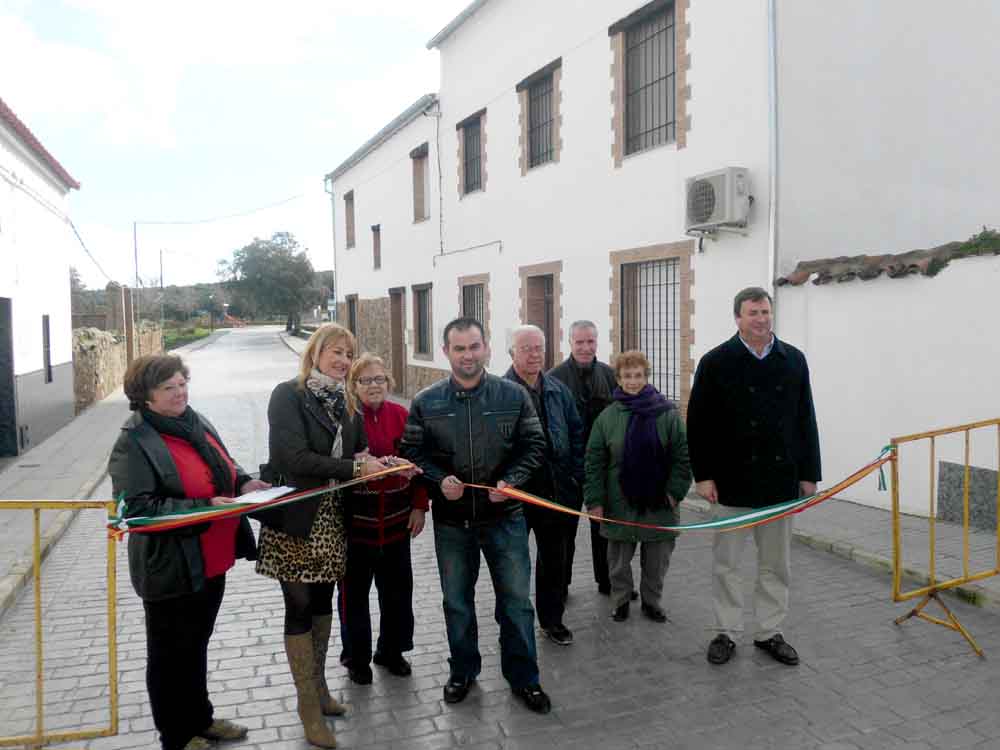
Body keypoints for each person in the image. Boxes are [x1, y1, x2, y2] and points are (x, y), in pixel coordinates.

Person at [108, 354, 268, 750]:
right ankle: (176, 735)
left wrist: (243, 483)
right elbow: (137, 510)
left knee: (196, 644)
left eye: (182, 383)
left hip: (210, 559)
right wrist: (203, 507)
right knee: (169, 654)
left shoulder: (196, 421)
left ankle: (201, 719)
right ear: (145, 396)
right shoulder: (134, 441)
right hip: (170, 567)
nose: (180, 392)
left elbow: (225, 465)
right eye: (169, 388)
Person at [401, 317, 552, 713]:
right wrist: (438, 480)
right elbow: (411, 452)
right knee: (457, 603)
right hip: (453, 523)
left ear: (486, 348)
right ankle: (463, 671)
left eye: (474, 346)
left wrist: (512, 481)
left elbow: (535, 444)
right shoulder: (426, 401)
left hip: (506, 519)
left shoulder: (513, 395)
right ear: (446, 352)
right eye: (459, 348)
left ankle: (524, 678)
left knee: (517, 604)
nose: (467, 355)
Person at [255, 323, 387, 749]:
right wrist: (354, 467)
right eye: (335, 352)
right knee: (299, 607)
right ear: (315, 352)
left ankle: (321, 688)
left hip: (332, 519)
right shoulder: (288, 395)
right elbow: (291, 458)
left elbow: (357, 452)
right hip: (296, 520)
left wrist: (379, 462)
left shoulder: (347, 402)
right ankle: (307, 707)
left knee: (324, 605)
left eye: (348, 354)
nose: (343, 361)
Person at [686, 287, 821, 667]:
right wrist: (703, 476)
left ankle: (769, 632)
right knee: (727, 565)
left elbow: (805, 418)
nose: (761, 319)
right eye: (753, 313)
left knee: (776, 564)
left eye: (765, 312)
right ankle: (726, 631)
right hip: (731, 481)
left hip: (779, 481)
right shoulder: (715, 362)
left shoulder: (793, 360)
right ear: (738, 318)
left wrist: (809, 474)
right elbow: (698, 424)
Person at [583, 350, 692, 623]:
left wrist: (675, 493)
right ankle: (621, 601)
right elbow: (594, 462)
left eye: (638, 375)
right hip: (618, 501)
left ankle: (651, 602)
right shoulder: (607, 418)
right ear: (619, 379)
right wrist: (595, 501)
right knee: (618, 561)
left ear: (646, 377)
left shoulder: (667, 414)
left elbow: (683, 456)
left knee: (657, 560)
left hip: (660, 502)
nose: (633, 381)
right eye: (627, 376)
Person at [341, 353, 428, 684]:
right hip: (355, 526)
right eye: (365, 380)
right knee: (353, 597)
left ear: (389, 382)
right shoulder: (346, 418)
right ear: (353, 386)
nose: (373, 385)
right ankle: (357, 658)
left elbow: (419, 463)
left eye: (379, 379)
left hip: (396, 522)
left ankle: (392, 651)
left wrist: (419, 506)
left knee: (397, 592)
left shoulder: (401, 415)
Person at [503, 324, 585, 646]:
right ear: (512, 353)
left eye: (539, 347)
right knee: (513, 564)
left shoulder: (557, 390)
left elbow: (576, 433)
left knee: (554, 560)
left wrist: (575, 477)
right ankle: (512, 625)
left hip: (555, 490)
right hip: (516, 493)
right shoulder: (499, 392)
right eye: (526, 348)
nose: (534, 354)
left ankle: (552, 621)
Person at [548, 320, 621, 597]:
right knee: (564, 530)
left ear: (596, 342)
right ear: (570, 343)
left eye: (590, 341)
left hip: (601, 468)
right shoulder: (554, 378)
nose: (585, 347)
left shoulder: (610, 375)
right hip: (567, 469)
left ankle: (607, 580)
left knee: (603, 527)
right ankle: (561, 584)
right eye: (579, 342)